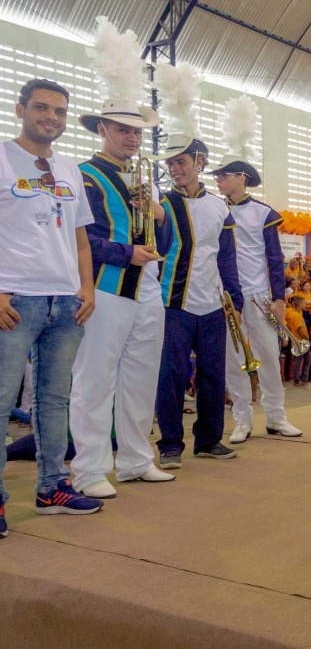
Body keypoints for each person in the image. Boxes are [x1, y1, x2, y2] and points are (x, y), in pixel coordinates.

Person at [0, 79, 104, 534]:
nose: (51, 117)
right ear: (20, 109)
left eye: (60, 111)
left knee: (54, 400)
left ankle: (52, 488)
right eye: (41, 107)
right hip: (15, 299)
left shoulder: (68, 169)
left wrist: (87, 287)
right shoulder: (2, 158)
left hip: (66, 303)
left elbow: (80, 238)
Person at [69, 91, 175, 499]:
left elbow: (166, 241)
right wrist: (126, 253)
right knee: (95, 379)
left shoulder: (146, 181)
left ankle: (136, 460)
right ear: (102, 129)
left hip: (148, 288)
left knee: (141, 380)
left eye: (137, 132)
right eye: (123, 130)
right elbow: (80, 238)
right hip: (105, 287)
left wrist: (159, 214)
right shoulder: (83, 176)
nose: (132, 138)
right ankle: (89, 470)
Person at [152, 131, 243, 469]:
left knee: (213, 376)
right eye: (170, 163)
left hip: (213, 305)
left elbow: (227, 257)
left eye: (181, 162)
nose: (174, 169)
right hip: (172, 303)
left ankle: (208, 440)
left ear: (199, 163)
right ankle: (170, 444)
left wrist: (236, 300)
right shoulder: (163, 204)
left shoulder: (220, 207)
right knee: (171, 375)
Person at [210, 150, 302, 443]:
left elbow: (275, 259)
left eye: (224, 175)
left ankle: (276, 417)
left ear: (242, 178)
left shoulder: (263, 213)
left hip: (258, 297)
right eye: (217, 175)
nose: (218, 180)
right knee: (233, 359)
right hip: (225, 298)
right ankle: (242, 420)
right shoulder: (214, 209)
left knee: (269, 356)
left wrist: (279, 299)